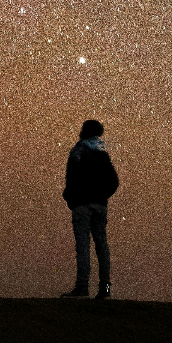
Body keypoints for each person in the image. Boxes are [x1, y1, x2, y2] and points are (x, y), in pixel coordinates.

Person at [60, 119, 119, 299]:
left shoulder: (78, 152)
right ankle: (105, 290)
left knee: (83, 246)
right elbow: (114, 182)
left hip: (82, 205)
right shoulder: (103, 154)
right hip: (99, 205)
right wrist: (102, 196)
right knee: (102, 246)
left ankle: (82, 288)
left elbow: (70, 180)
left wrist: (71, 199)